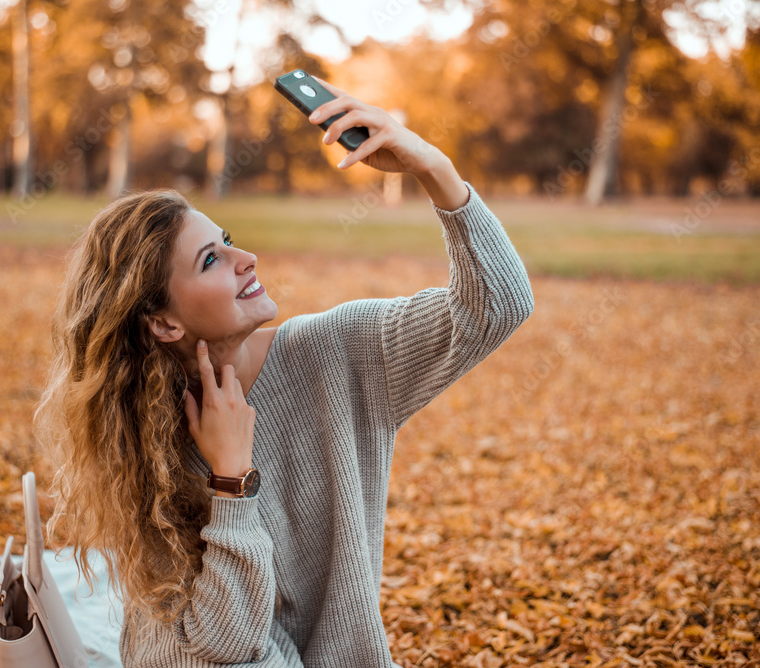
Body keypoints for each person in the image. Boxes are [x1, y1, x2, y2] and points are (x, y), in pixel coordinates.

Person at [33, 76, 535, 667]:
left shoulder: (336, 353)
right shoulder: (141, 436)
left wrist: (433, 167)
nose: (247, 259)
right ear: (164, 323)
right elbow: (225, 644)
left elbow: (498, 305)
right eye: (211, 259)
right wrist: (231, 478)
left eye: (228, 240)